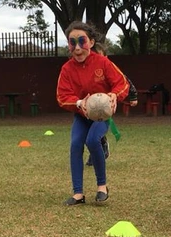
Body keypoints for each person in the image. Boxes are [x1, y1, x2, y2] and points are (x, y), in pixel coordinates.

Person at [56, 21, 129, 206]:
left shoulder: (103, 62)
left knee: (92, 140)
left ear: (91, 41)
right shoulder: (66, 69)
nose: (78, 47)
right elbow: (62, 96)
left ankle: (102, 187)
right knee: (75, 145)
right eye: (73, 42)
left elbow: (122, 84)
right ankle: (78, 193)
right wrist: (80, 102)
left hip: (102, 115)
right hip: (82, 115)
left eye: (82, 41)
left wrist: (113, 95)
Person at [87, 44, 138, 167]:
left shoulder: (110, 69)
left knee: (96, 131)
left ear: (105, 57)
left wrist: (133, 96)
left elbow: (125, 81)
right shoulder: (88, 70)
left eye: (99, 56)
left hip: (105, 105)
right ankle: (95, 152)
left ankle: (102, 148)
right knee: (87, 131)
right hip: (90, 105)